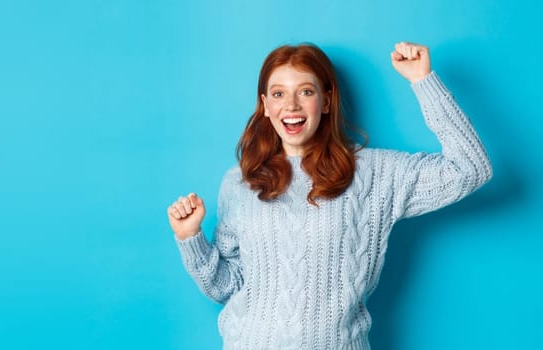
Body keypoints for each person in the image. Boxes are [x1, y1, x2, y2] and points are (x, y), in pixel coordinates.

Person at [166, 42, 492, 349]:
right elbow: (225, 286)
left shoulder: (373, 174)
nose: (291, 106)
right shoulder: (239, 181)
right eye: (279, 93)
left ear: (326, 100)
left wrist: (423, 81)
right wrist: (190, 237)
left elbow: (471, 168)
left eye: (305, 91)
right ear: (265, 105)